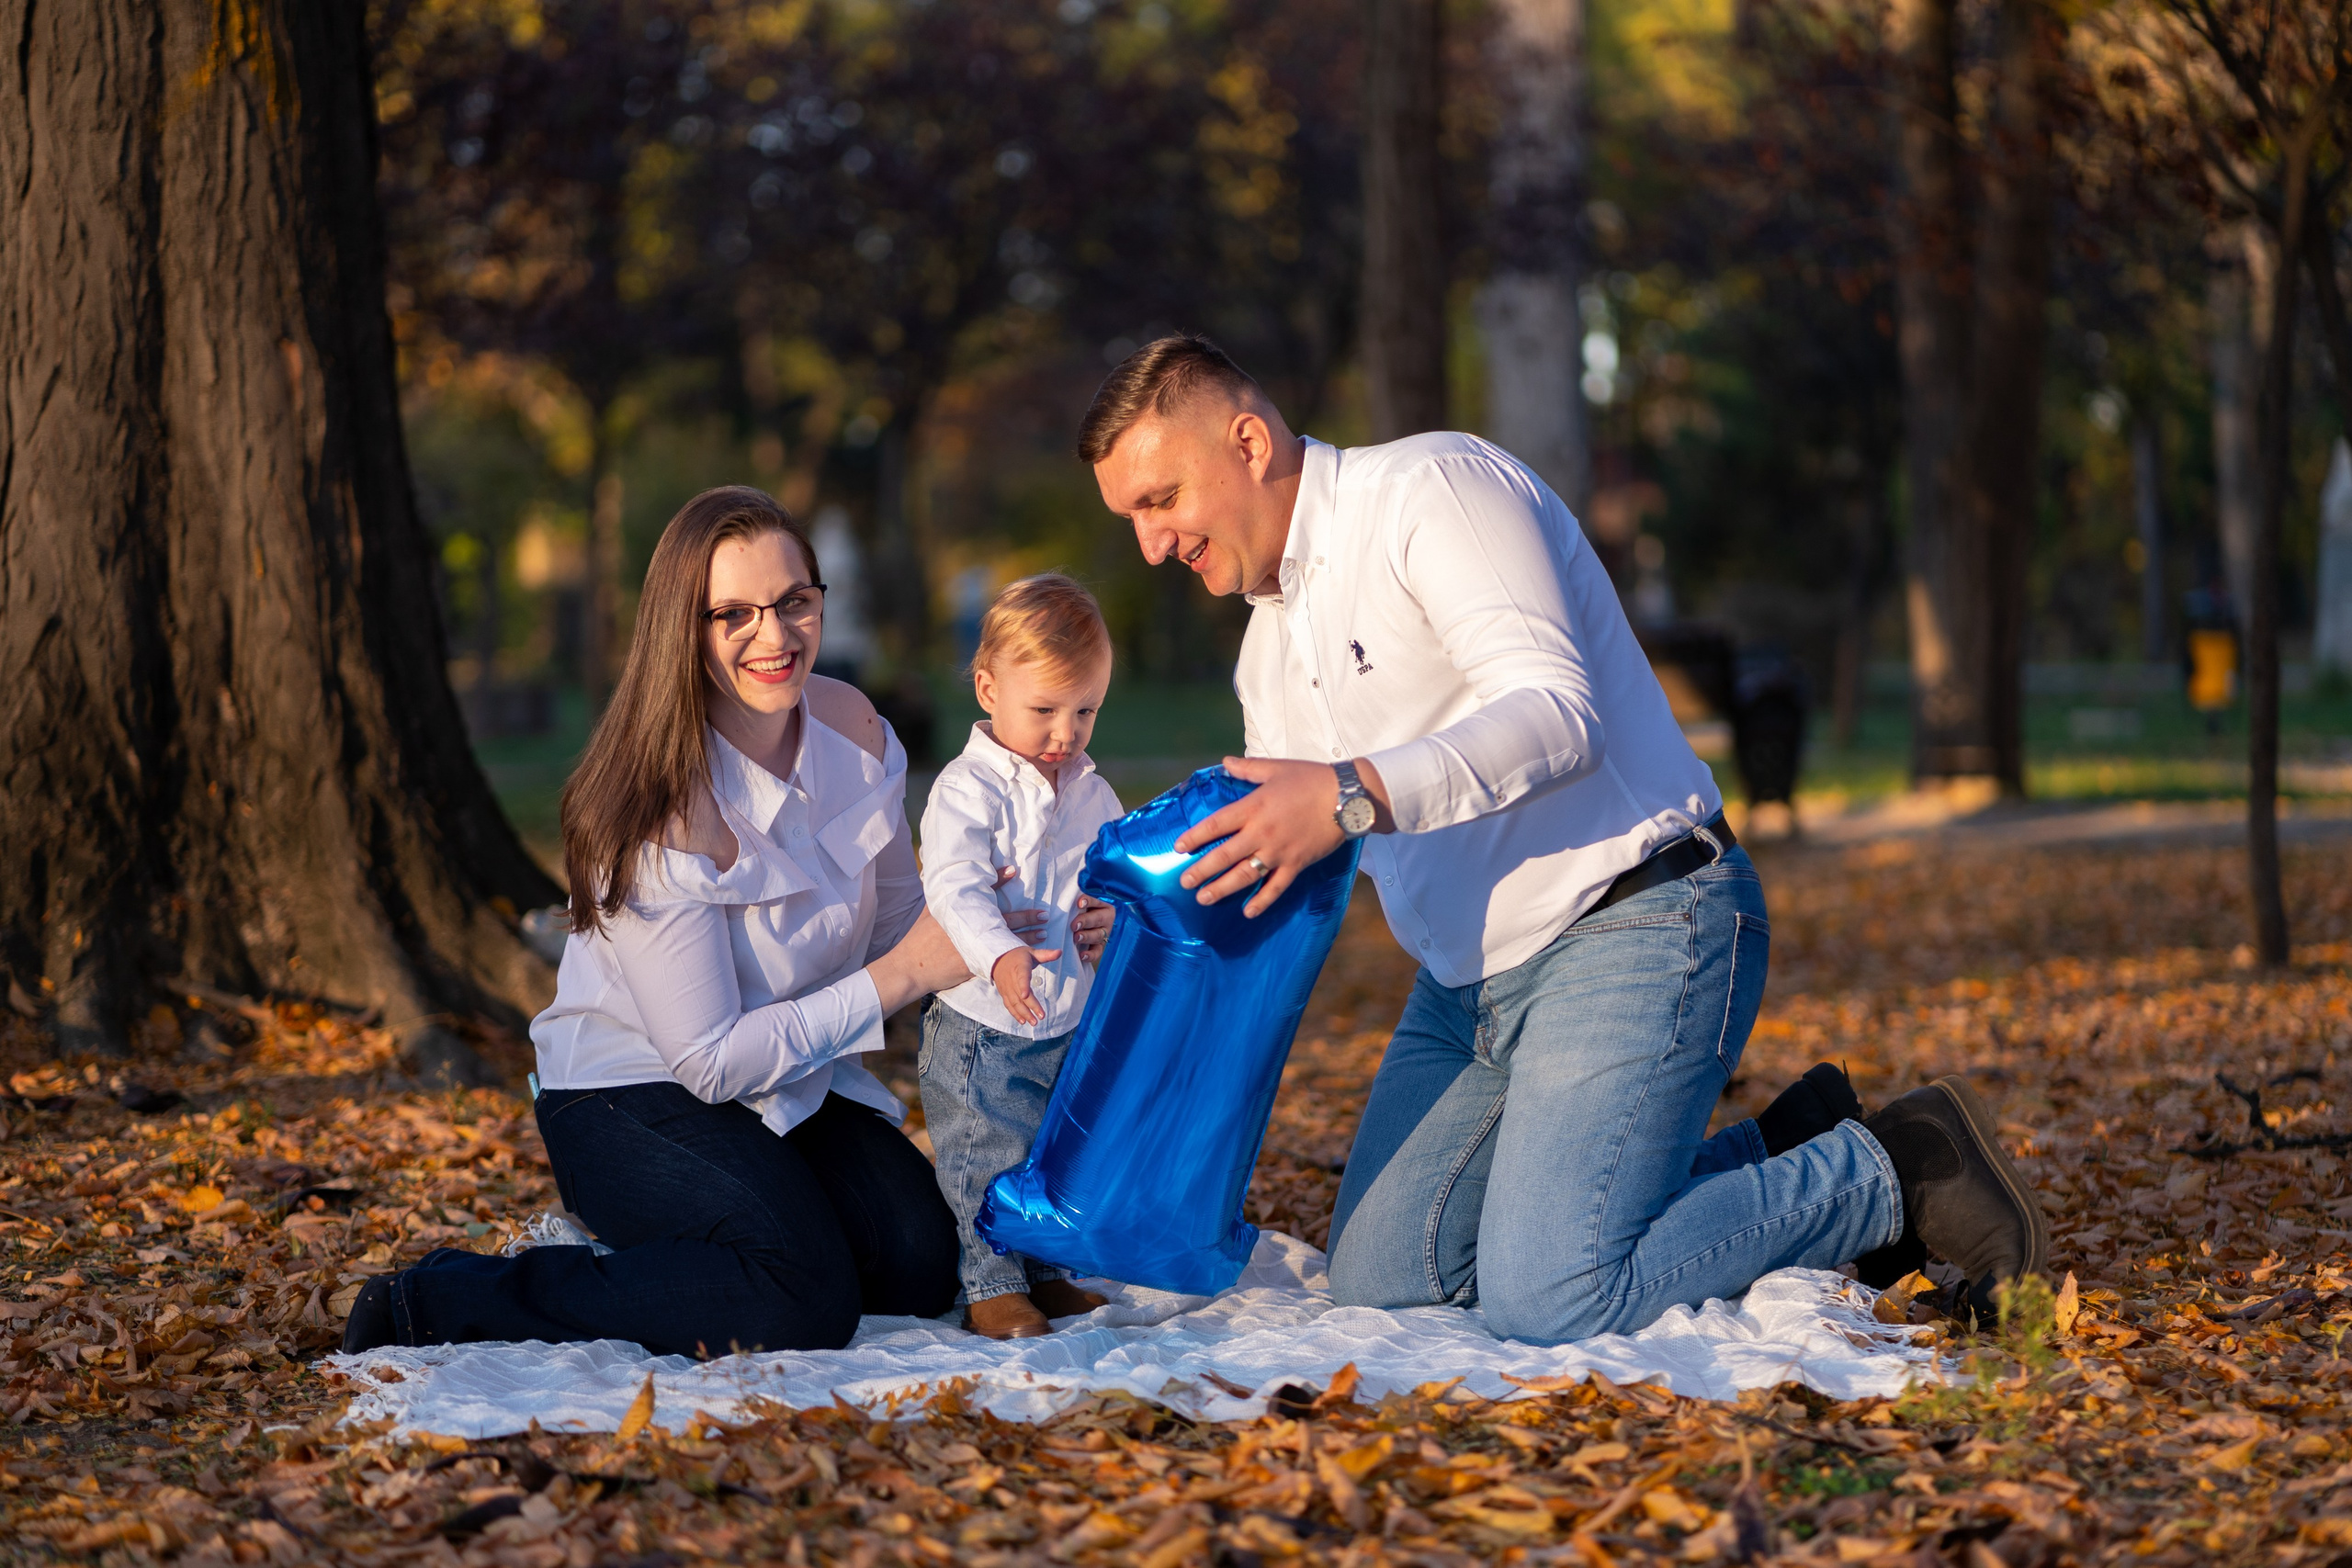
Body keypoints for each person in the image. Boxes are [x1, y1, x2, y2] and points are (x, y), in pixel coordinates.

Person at [1079, 335, 2049, 1340]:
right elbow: (1294, 849)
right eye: (1133, 521)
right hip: (1466, 997)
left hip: (1638, 919)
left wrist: (1349, 795)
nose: (1152, 545)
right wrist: (1154, 921)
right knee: (1383, 1280)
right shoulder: (1266, 656)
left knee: (1552, 1295)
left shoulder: (1431, 490)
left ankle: (1894, 1165)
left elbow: (1553, 715)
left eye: (1161, 500)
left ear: (1245, 441)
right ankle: (1787, 1147)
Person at [342, 487, 1008, 1358]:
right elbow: (710, 1059)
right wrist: (904, 976)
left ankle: (716, 1244)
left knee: (922, 1265)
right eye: (732, 613)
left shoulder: (856, 727)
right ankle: (439, 1298)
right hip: (633, 1094)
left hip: (793, 1079)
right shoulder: (657, 801)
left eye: (795, 602)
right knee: (803, 1301)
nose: (775, 637)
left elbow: (900, 921)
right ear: (681, 629)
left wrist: (1005, 933)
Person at [919, 575, 1127, 1339]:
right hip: (983, 1023)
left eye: (1085, 710)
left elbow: (1114, 878)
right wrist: (1001, 954)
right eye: (1044, 710)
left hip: (1063, 1015)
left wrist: (1113, 916)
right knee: (987, 1148)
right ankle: (992, 1281)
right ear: (988, 687)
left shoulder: (1092, 793)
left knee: (1049, 1147)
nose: (1065, 733)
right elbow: (954, 885)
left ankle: (1045, 1269)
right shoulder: (967, 789)